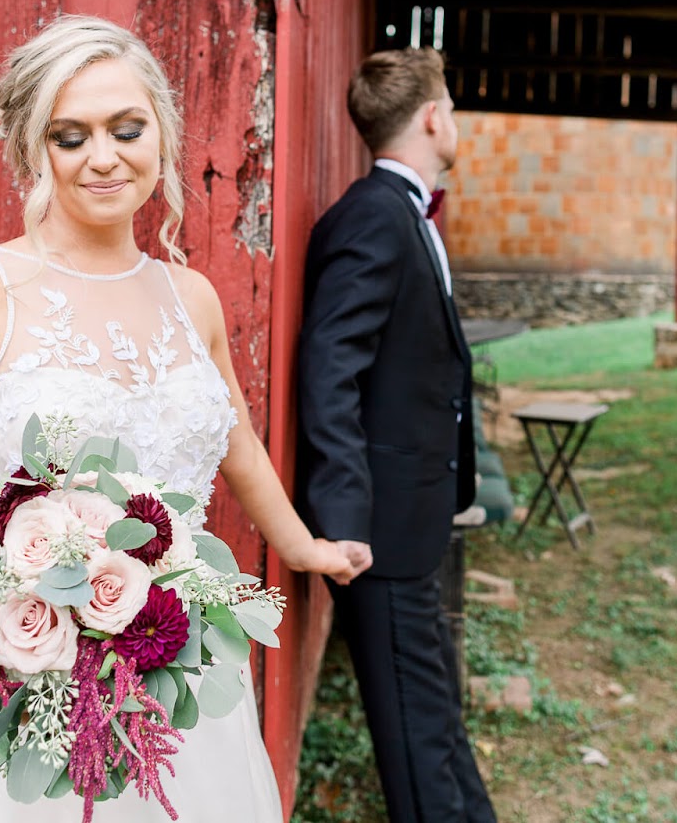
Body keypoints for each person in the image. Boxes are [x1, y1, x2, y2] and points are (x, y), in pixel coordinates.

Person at [0, 14, 354, 822]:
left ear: (162, 133)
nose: (105, 157)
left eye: (126, 128)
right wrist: (14, 639)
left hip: (179, 679)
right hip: (19, 685)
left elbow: (235, 444)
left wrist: (302, 546)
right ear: (28, 150)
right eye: (70, 136)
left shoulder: (192, 299)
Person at [297, 46, 497, 823]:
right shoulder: (372, 219)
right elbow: (328, 371)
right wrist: (346, 528)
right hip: (376, 536)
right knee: (415, 741)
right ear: (433, 117)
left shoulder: (402, 213)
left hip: (413, 520)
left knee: (435, 715)